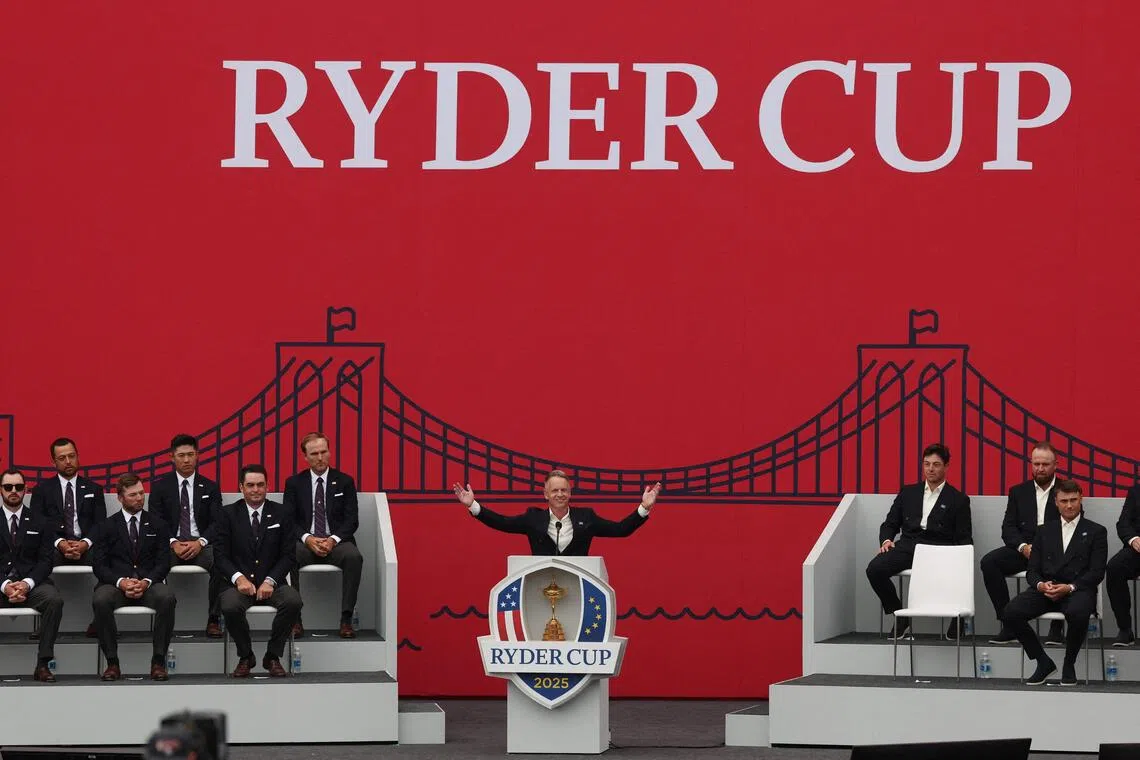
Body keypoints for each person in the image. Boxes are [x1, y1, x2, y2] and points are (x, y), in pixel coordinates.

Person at [1002, 479, 1107, 685]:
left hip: (1077, 589)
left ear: (1081, 499)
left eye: (1074, 500)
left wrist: (1070, 587)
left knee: (1078, 613)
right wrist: (1041, 585)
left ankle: (1069, 664)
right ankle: (1042, 661)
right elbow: (1032, 570)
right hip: (1046, 588)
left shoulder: (1097, 531)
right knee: (1010, 612)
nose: (1069, 505)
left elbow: (1097, 572)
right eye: (1064, 501)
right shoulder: (1043, 531)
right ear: (1056, 502)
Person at [865, 443, 972, 640]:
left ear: (946, 467)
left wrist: (960, 560)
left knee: (956, 573)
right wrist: (887, 540)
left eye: (936, 464)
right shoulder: (908, 492)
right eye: (926, 464)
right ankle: (900, 616)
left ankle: (957, 620)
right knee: (874, 569)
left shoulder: (958, 499)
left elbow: (964, 537)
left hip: (939, 551)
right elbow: (890, 523)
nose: (930, 469)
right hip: (908, 546)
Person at [214, 464, 301, 677]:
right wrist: (239, 579)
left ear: (267, 487)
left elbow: (289, 555)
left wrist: (270, 580)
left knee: (293, 601)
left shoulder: (282, 513)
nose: (256, 490)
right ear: (241, 487)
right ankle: (246, 656)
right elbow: (220, 555)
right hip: (239, 584)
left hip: (273, 583)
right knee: (230, 605)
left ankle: (272, 656)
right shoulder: (227, 514)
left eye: (260, 485)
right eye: (250, 485)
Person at [452, 469, 662, 555]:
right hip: (540, 588)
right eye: (555, 490)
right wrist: (473, 506)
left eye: (564, 490)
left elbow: (620, 529)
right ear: (546, 494)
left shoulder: (586, 518)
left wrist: (644, 507)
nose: (560, 494)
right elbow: (502, 522)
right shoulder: (533, 518)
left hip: (578, 587)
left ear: (570, 493)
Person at [91, 473, 177, 681]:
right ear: (120, 497)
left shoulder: (158, 524)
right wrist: (122, 582)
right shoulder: (106, 526)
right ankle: (112, 663)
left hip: (149, 583)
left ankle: (158, 661)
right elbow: (99, 565)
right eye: (133, 495)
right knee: (100, 599)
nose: (139, 498)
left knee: (167, 598)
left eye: (141, 493)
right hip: (116, 585)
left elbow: (164, 562)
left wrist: (146, 582)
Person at [979, 441, 1064, 645]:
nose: (1040, 468)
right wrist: (1023, 547)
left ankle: (1057, 628)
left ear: (1055, 465)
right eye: (1036, 464)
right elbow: (1008, 528)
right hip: (1024, 551)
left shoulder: (1066, 489)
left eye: (1045, 464)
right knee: (989, 562)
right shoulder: (1018, 491)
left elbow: (1073, 527)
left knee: (1067, 564)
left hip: (1054, 553)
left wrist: (1045, 549)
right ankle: (1009, 624)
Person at [282, 433, 363, 639]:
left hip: (337, 541)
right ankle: (295, 620)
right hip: (305, 542)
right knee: (287, 556)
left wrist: (332, 539)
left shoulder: (345, 481)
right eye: (314, 453)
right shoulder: (294, 483)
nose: (320, 458)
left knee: (354, 557)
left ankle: (346, 620)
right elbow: (289, 521)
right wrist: (308, 539)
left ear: (329, 452)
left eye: (323, 452)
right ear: (305, 457)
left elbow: (351, 520)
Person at [148, 434, 224, 637]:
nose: (186, 460)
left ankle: (214, 619)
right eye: (181, 455)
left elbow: (218, 522)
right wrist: (173, 543)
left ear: (197, 455)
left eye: (191, 455)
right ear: (171, 457)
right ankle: (161, 624)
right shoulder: (160, 487)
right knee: (151, 561)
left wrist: (200, 542)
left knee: (222, 561)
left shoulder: (210, 487)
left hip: (202, 546)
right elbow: (156, 522)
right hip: (171, 546)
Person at [30, 437, 106, 637]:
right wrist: (60, 543)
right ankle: (46, 624)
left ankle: (100, 622)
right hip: (53, 547)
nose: (68, 461)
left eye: (72, 456)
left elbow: (100, 525)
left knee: (110, 565)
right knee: (33, 564)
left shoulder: (93, 489)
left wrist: (85, 543)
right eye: (62, 458)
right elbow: (38, 526)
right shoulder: (41, 491)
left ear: (78, 456)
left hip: (86, 547)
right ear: (53, 462)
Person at [0, 468, 64, 682]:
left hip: (32, 584)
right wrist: (5, 585)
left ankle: (43, 664)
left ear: (25, 490)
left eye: (18, 487)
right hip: (1, 584)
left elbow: (46, 560)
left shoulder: (40, 521)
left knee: (54, 600)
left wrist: (26, 584)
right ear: (1, 490)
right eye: (8, 487)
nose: (14, 491)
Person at [1106, 482, 1140, 647]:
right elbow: (1123, 523)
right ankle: (1125, 629)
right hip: (1138, 551)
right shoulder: (1136, 491)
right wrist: (1133, 539)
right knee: (1115, 567)